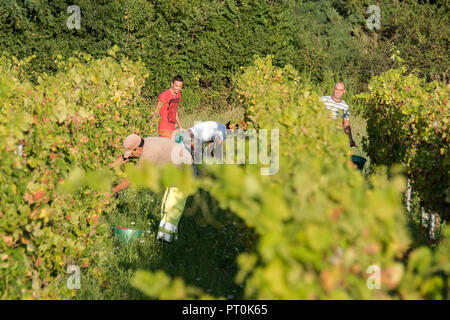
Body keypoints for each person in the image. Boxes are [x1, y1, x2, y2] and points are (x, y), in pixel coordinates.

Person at [108, 134, 193, 243]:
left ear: (138, 148)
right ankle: (169, 236)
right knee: (166, 203)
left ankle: (166, 240)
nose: (131, 156)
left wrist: (113, 191)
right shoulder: (142, 143)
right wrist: (109, 167)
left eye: (132, 153)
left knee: (173, 204)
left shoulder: (149, 153)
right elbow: (125, 157)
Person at [320, 82, 356, 147]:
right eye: (336, 89)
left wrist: (351, 140)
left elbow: (346, 124)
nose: (338, 92)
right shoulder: (323, 99)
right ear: (333, 89)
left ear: (344, 91)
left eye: (340, 90)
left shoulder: (345, 106)